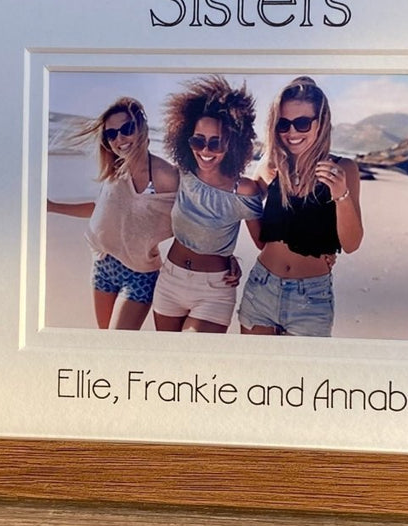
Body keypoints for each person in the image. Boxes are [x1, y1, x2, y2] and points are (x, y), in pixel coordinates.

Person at [237, 76, 363, 336]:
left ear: (321, 123)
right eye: (284, 124)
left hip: (311, 299)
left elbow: (351, 244)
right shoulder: (271, 167)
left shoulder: (343, 169)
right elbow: (258, 234)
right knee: (252, 374)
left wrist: (341, 195)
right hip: (261, 287)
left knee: (299, 376)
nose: (292, 133)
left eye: (302, 123)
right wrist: (220, 258)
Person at [48, 97, 177, 330]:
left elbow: (189, 222)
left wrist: (216, 260)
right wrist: (51, 206)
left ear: (140, 129)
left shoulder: (165, 175)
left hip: (139, 273)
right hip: (103, 264)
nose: (120, 139)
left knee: (118, 342)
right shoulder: (116, 170)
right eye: (112, 134)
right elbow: (100, 209)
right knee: (105, 342)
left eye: (126, 129)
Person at [152, 75, 263, 333]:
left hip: (214, 291)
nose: (206, 150)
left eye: (216, 142)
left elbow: (264, 243)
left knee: (193, 358)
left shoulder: (243, 190)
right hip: (169, 281)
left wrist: (318, 251)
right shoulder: (184, 174)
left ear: (233, 143)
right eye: (198, 140)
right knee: (168, 364)